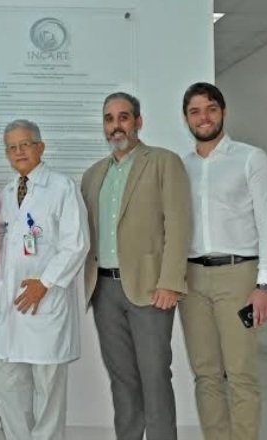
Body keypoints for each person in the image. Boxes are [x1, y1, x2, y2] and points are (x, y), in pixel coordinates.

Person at [80, 92, 191, 440]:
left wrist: (170, 281)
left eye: (123, 117)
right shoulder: (93, 175)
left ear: (138, 122)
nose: (116, 126)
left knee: (155, 375)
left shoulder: (163, 162)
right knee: (122, 378)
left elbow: (179, 224)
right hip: (104, 291)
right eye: (109, 119)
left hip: (150, 288)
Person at [179, 82, 267, 440]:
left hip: (240, 275)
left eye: (210, 109)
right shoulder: (182, 167)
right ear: (186, 118)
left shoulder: (252, 159)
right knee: (205, 374)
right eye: (195, 111)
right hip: (192, 279)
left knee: (240, 374)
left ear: (222, 111)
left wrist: (264, 285)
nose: (203, 117)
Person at [0, 119, 89, 440]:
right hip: (12, 307)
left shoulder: (62, 186)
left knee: (47, 393)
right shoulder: (6, 194)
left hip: (45, 303)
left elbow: (76, 244)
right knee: (7, 387)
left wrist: (44, 283)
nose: (18, 152)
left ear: (40, 147)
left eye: (25, 144)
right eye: (12, 147)